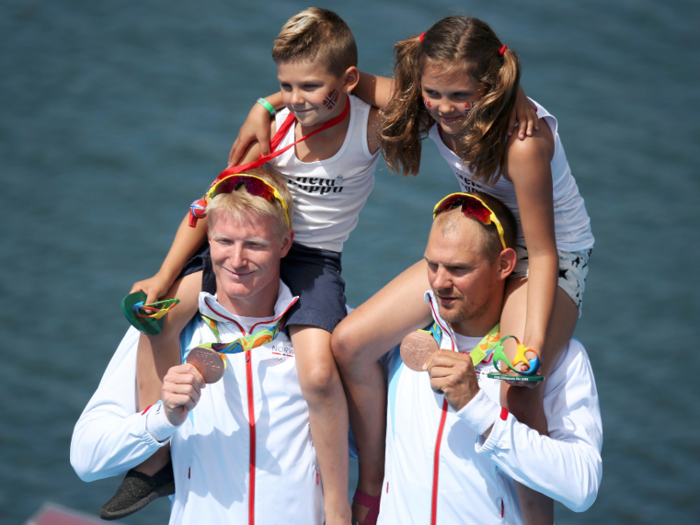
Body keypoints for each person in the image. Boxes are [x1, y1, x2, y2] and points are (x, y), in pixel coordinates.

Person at [105, 8, 382, 524]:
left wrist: (267, 99)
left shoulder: (370, 127)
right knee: (160, 318)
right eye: (285, 85)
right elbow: (210, 204)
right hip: (248, 244)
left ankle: (341, 505)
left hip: (314, 260)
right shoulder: (275, 130)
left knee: (319, 375)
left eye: (309, 87)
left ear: (345, 81)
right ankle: (156, 459)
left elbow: (410, 97)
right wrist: (164, 279)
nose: (297, 100)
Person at [71, 169, 329, 524]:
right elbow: (86, 459)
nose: (237, 260)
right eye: (224, 241)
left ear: (285, 244)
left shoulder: (324, 337)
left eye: (254, 244)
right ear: (207, 237)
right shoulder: (165, 329)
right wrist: (162, 419)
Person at [376, 191, 601, 524]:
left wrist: (478, 409)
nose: (439, 282)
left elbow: (582, 487)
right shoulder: (399, 342)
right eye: (432, 264)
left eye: (458, 268)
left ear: (504, 265)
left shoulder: (558, 359)